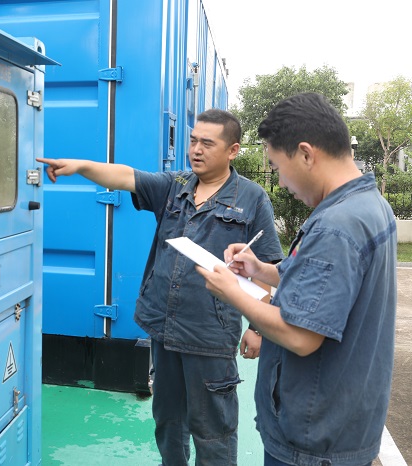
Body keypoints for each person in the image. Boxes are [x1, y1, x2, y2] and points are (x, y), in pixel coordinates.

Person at [37, 108, 283, 466]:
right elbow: (125, 176)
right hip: (164, 329)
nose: (196, 150)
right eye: (193, 140)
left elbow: (267, 267)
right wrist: (80, 166)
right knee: (168, 424)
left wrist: (258, 327)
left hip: (210, 336)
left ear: (233, 150)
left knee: (213, 431)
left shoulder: (252, 198)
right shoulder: (175, 186)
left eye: (207, 144)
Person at [196, 93, 397, 466]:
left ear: (306, 154)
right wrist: (259, 269)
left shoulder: (336, 226)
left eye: (278, 166)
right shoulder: (369, 204)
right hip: (344, 423)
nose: (282, 182)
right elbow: (323, 284)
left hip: (313, 440)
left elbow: (301, 336)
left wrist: (232, 292)